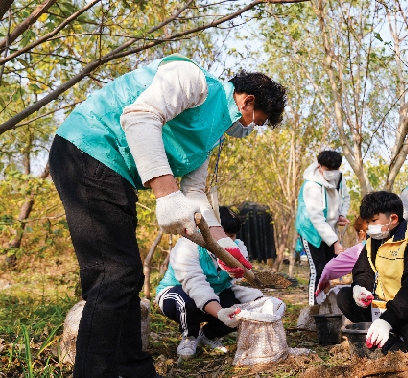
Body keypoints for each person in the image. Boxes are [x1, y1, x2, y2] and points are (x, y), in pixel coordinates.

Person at [48, 54, 286, 378]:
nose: (249, 129)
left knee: (126, 276)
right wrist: (166, 194)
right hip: (88, 150)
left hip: (114, 172)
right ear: (248, 101)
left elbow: (196, 193)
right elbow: (140, 116)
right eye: (255, 121)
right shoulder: (193, 80)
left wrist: (223, 244)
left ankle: (135, 369)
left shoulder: (208, 139)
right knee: (113, 275)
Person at [337, 191, 408, 354]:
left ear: (393, 218)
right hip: (385, 307)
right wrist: (359, 288)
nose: (369, 226)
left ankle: (393, 334)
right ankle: (390, 337)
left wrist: (387, 320)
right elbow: (363, 271)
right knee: (344, 297)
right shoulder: (373, 242)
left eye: (374, 221)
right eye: (368, 222)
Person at [155, 206, 261, 359]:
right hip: (178, 293)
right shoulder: (188, 246)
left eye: (232, 236)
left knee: (243, 308)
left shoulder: (239, 249)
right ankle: (189, 336)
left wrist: (258, 300)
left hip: (216, 294)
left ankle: (208, 335)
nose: (228, 241)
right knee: (186, 301)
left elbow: (237, 285)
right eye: (223, 235)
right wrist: (220, 313)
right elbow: (195, 285)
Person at [295, 151, 351, 305]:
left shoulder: (339, 178)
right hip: (311, 230)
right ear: (319, 166)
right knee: (318, 270)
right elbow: (317, 218)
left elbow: (345, 197)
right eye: (328, 170)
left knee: (329, 268)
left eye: (335, 170)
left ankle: (325, 303)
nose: (331, 174)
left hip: (329, 229)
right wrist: (335, 243)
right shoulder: (311, 186)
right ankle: (314, 309)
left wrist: (341, 214)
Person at [314, 217, 367, 299]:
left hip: (367, 295)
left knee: (343, 294)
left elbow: (329, 268)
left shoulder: (359, 250)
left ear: (362, 234)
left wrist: (323, 281)